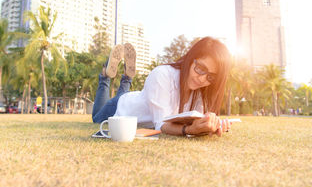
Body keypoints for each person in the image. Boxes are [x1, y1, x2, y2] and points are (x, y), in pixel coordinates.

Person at [92, 37, 232, 137]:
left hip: (137, 98)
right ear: (191, 58)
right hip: (120, 108)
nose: (202, 79)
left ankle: (127, 78)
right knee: (96, 117)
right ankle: (105, 77)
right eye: (200, 68)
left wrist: (211, 124)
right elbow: (161, 125)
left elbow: (196, 120)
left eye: (211, 77)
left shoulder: (200, 92)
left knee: (123, 93)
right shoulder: (162, 74)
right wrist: (190, 130)